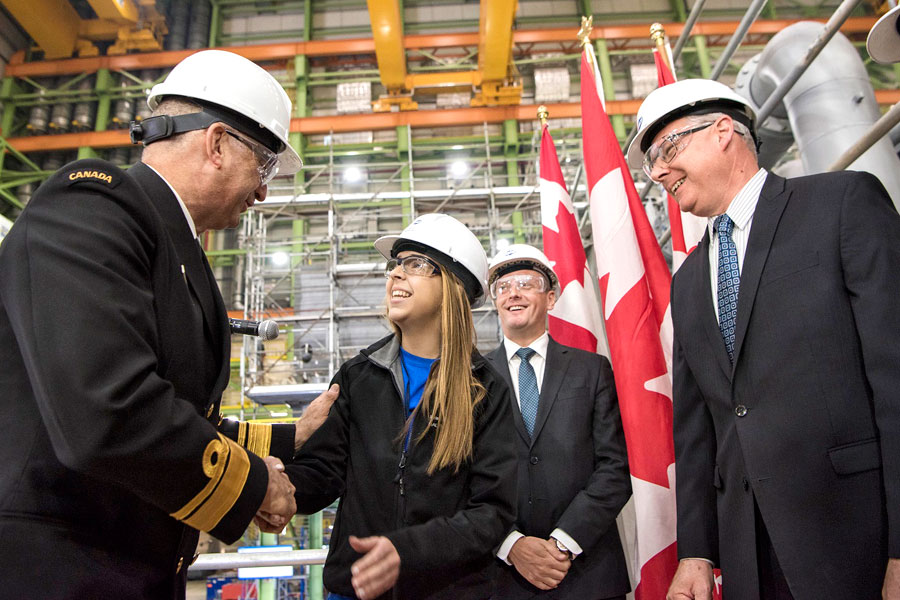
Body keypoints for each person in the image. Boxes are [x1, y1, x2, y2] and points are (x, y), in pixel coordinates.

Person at [0, 49, 336, 599]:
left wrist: (289, 436)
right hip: (55, 571)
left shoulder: (173, 248)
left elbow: (180, 413)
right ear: (218, 143)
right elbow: (109, 409)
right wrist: (251, 488)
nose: (263, 191)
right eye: (265, 165)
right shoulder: (91, 204)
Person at [625, 78, 900, 600]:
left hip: (856, 542)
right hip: (749, 556)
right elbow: (698, 426)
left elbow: (896, 380)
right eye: (650, 164)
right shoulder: (686, 281)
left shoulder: (840, 205)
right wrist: (697, 552)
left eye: (666, 149)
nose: (657, 172)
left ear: (723, 131)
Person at [286, 213, 518, 600]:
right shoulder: (358, 376)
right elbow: (323, 473)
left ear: (454, 285)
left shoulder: (485, 388)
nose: (395, 275)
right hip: (355, 589)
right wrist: (276, 488)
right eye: (395, 265)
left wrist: (407, 551)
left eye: (415, 264)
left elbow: (492, 513)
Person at [484, 244, 631, 600]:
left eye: (525, 283)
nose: (513, 292)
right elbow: (459, 476)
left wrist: (563, 543)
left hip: (588, 572)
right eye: (502, 287)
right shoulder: (471, 378)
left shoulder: (591, 370)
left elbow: (615, 467)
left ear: (551, 298)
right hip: (503, 577)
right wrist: (512, 545)